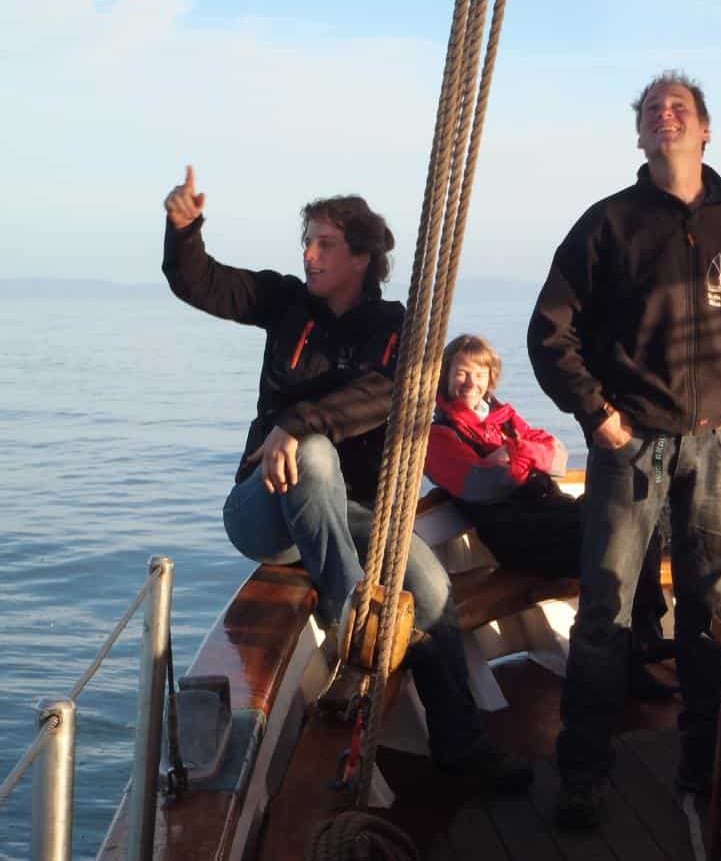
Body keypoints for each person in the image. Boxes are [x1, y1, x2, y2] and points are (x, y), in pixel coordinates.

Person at [161, 166, 532, 793]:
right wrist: (184, 231)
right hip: (263, 510)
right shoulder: (285, 303)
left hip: (347, 513)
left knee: (433, 592)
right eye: (307, 241)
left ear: (361, 257)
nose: (309, 255)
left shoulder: (398, 328)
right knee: (312, 457)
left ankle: (462, 749)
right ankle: (348, 615)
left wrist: (298, 421)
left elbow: (385, 394)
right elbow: (202, 282)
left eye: (325, 243)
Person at [527, 71, 721, 826]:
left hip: (717, 448)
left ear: (705, 130)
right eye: (652, 109)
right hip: (630, 443)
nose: (665, 115)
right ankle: (583, 774)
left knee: (712, 611)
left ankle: (703, 766)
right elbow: (551, 331)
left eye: (679, 107)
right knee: (605, 610)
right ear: (640, 133)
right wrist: (596, 415)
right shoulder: (608, 223)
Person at [423, 334, 677, 698]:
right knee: (613, 541)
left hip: (550, 513)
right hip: (518, 534)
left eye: (479, 374)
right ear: (445, 375)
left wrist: (512, 454)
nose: (470, 383)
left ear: (490, 379)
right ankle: (621, 664)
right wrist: (524, 456)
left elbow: (557, 456)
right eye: (461, 373)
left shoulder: (502, 416)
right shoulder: (438, 435)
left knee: (637, 520)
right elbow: (483, 485)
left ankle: (645, 636)